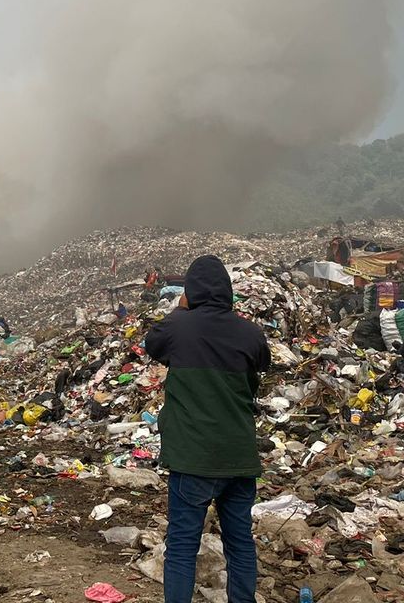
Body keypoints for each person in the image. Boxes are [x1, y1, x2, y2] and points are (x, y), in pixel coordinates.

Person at [142, 256, 269, 603]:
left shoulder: (177, 328)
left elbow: (152, 345)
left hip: (193, 459)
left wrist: (183, 309)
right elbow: (262, 363)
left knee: (183, 546)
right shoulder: (250, 332)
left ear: (190, 290)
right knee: (240, 542)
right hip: (239, 459)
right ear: (227, 291)